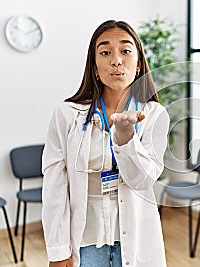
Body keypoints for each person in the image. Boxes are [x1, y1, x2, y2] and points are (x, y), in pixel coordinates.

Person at [41, 20, 169, 267]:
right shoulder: (67, 114)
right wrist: (57, 252)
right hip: (85, 242)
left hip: (135, 239)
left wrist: (125, 135)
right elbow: (55, 186)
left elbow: (143, 180)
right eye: (105, 52)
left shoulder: (154, 115)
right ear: (95, 66)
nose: (116, 60)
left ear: (139, 63)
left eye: (125, 50)